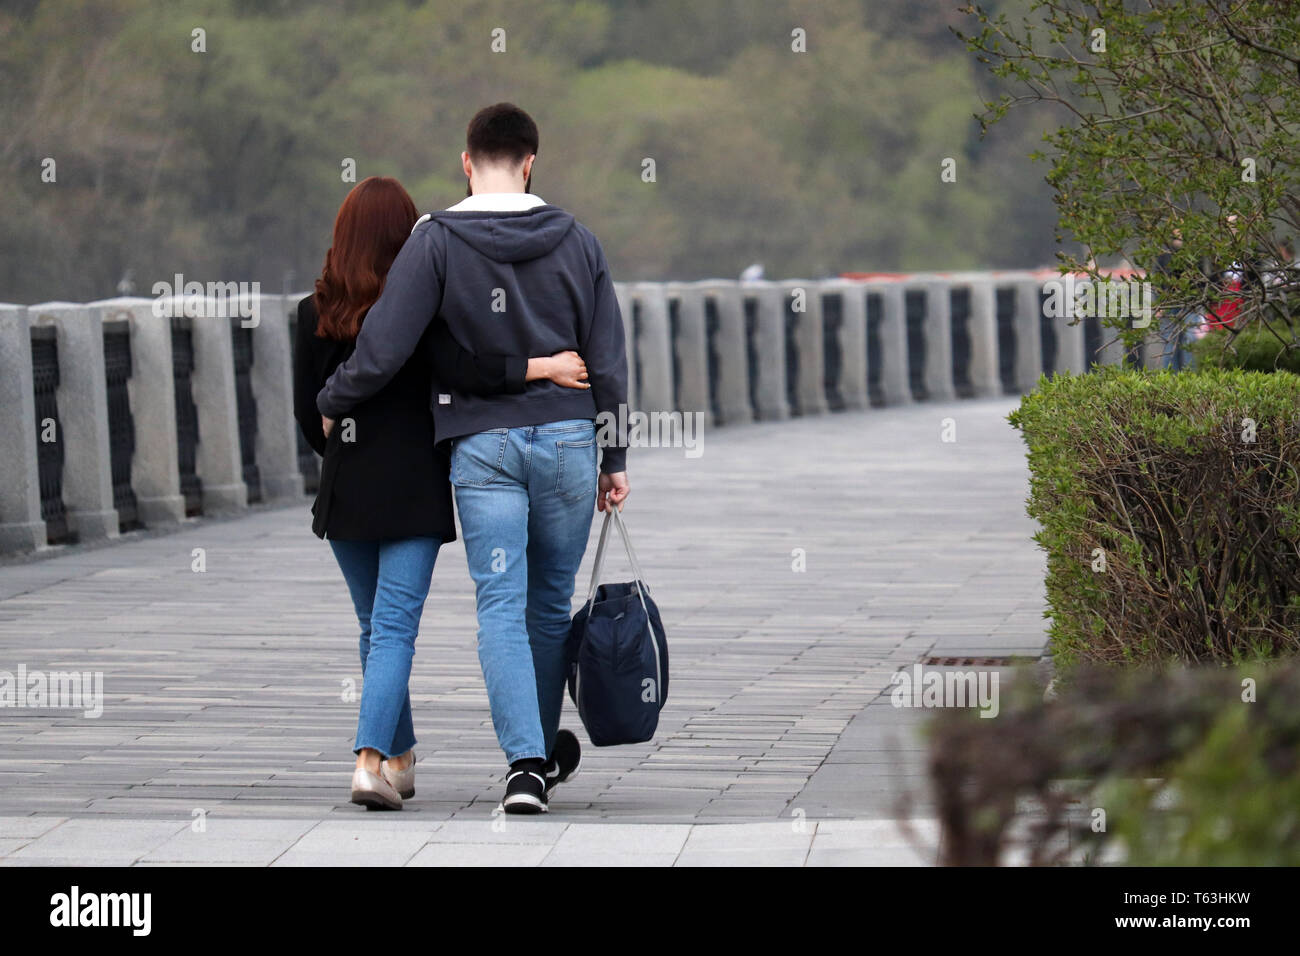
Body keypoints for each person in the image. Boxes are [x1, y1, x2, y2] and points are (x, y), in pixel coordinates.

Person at [317, 104, 630, 814]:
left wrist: (333, 398)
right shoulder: (578, 241)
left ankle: (525, 764)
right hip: (568, 442)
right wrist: (615, 454)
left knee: (499, 607)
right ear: (530, 162)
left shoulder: (436, 239)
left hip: (484, 449)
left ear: (466, 162)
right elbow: (608, 360)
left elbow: (385, 348)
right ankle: (540, 760)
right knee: (548, 608)